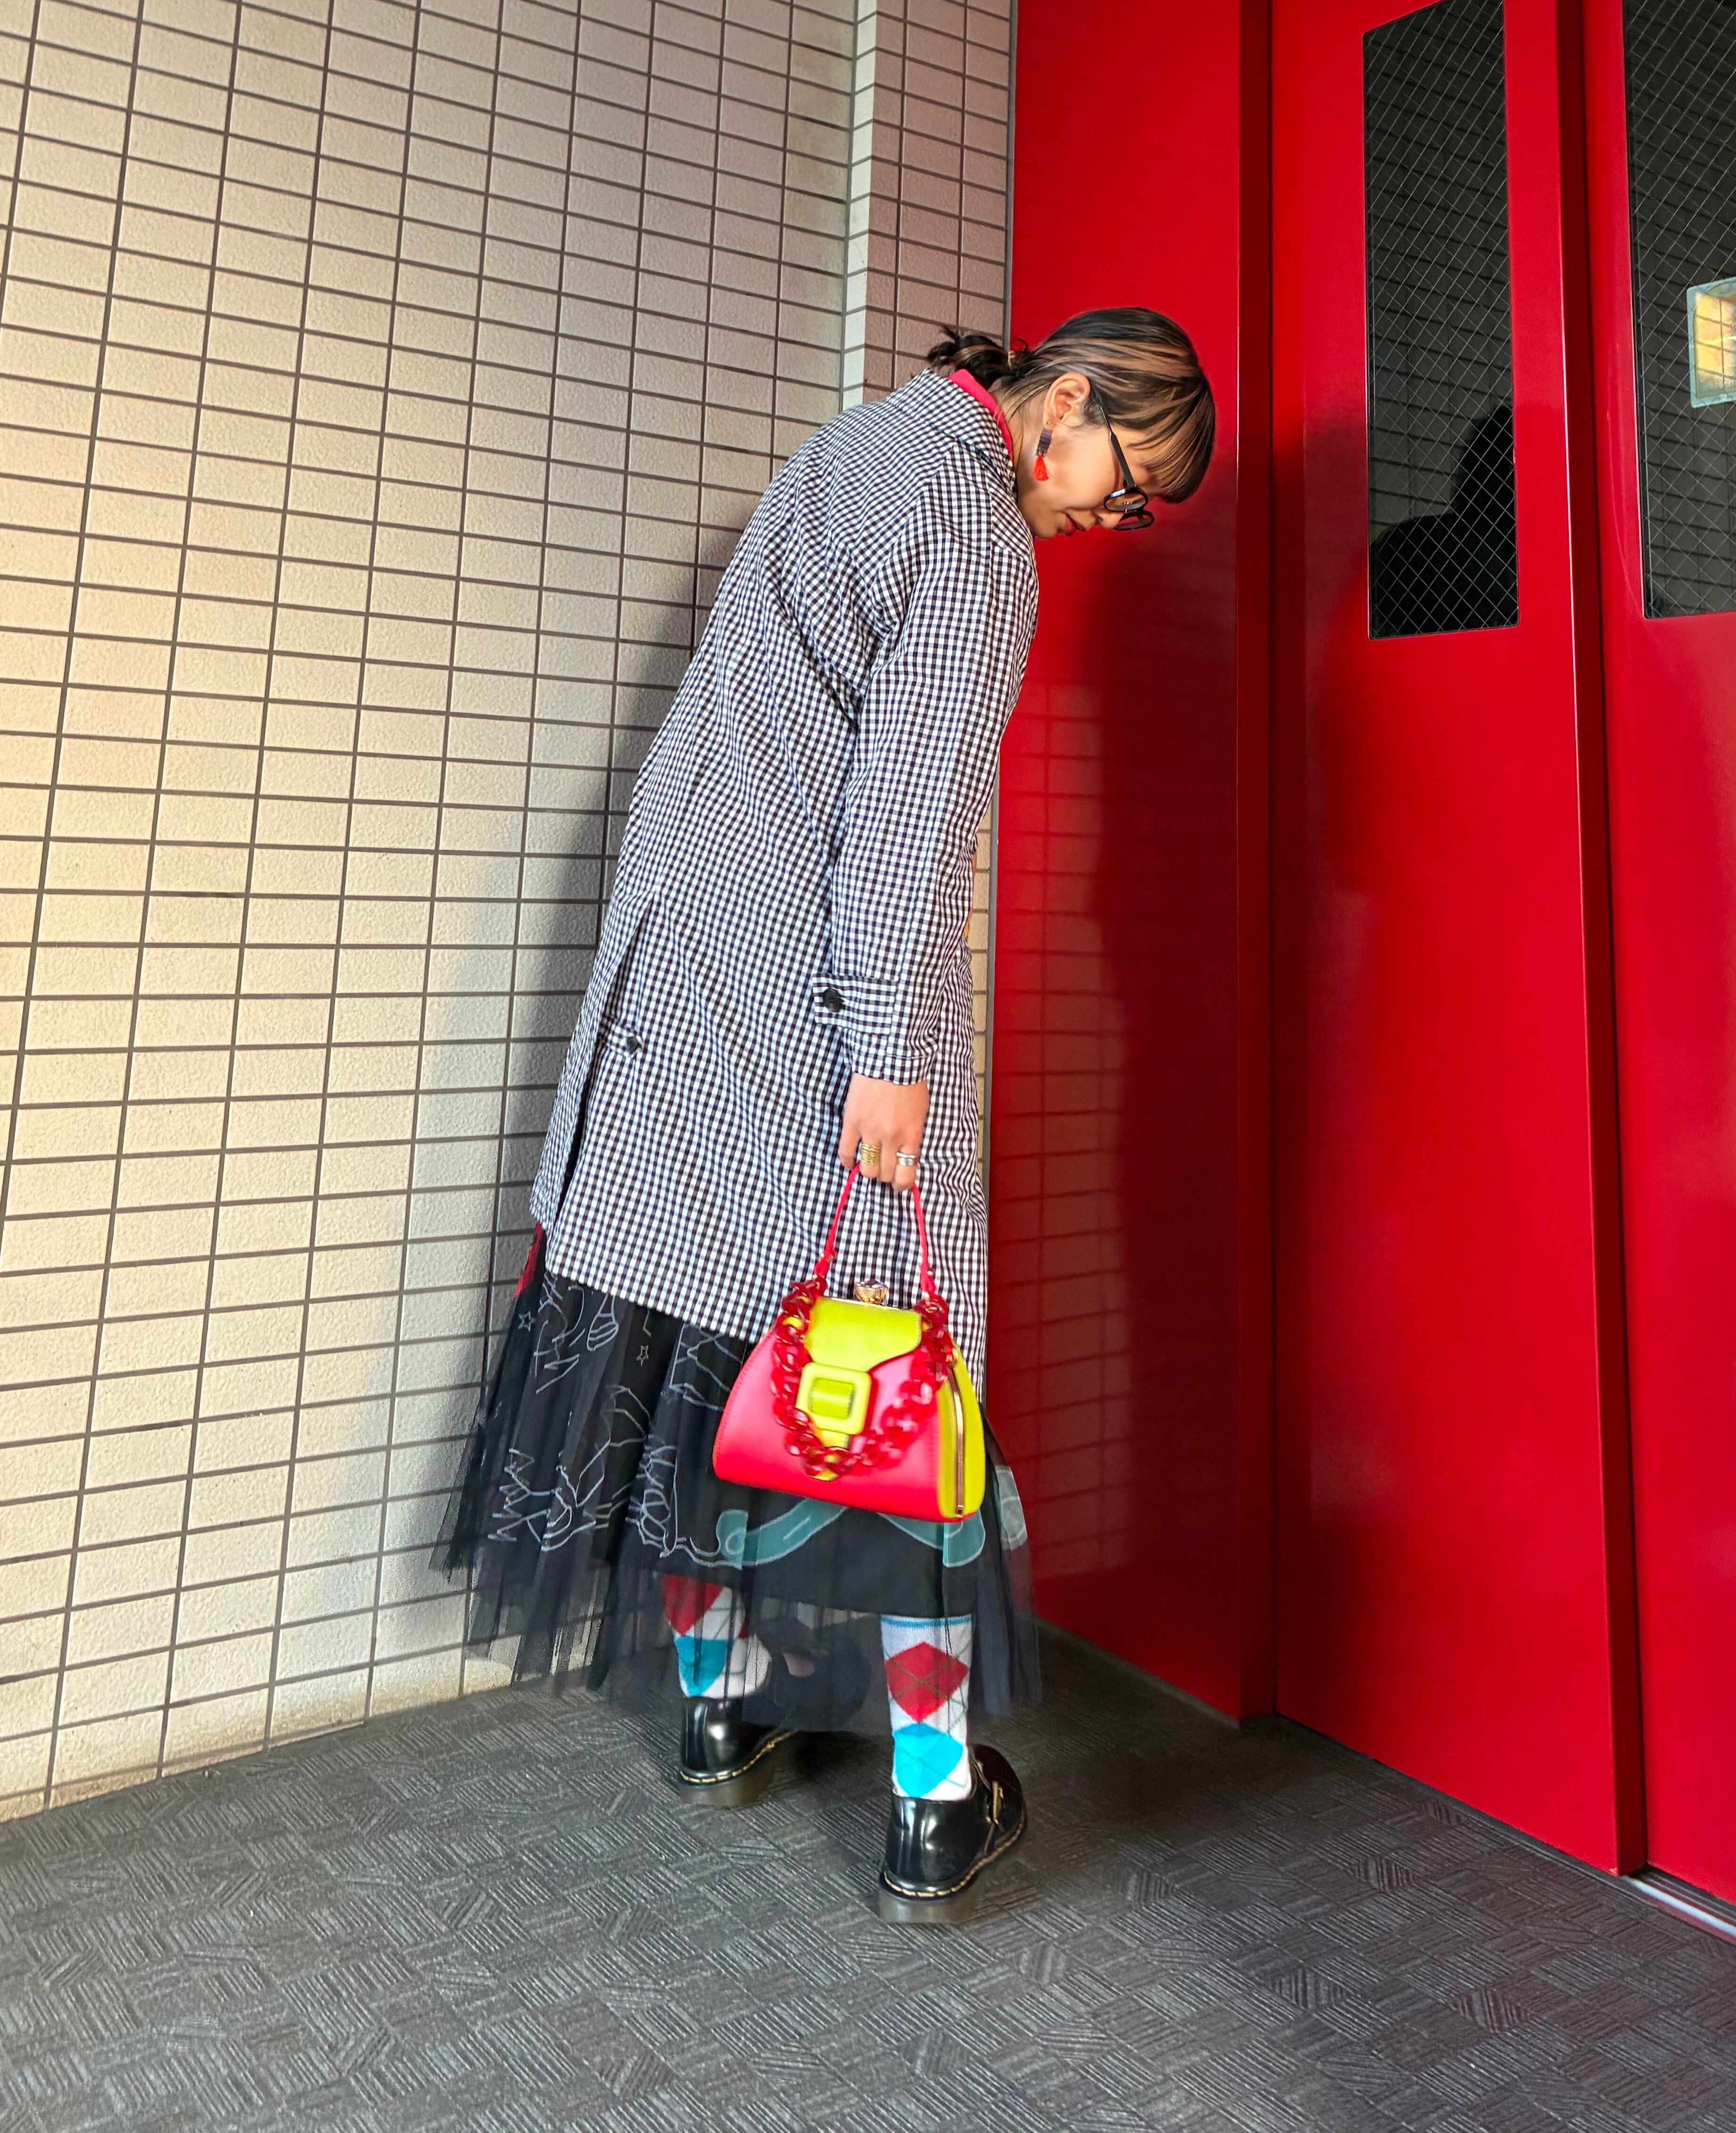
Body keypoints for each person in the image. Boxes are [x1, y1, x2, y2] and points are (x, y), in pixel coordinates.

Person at [438, 309, 1215, 1923]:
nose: (1115, 515)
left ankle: (719, 1706)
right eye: (1128, 479)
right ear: (1066, 398)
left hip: (674, 966)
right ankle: (935, 1797)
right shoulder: (976, 539)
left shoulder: (857, 447)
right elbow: (909, 818)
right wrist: (893, 1043)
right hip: (807, 995)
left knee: (694, 1340)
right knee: (902, 1369)